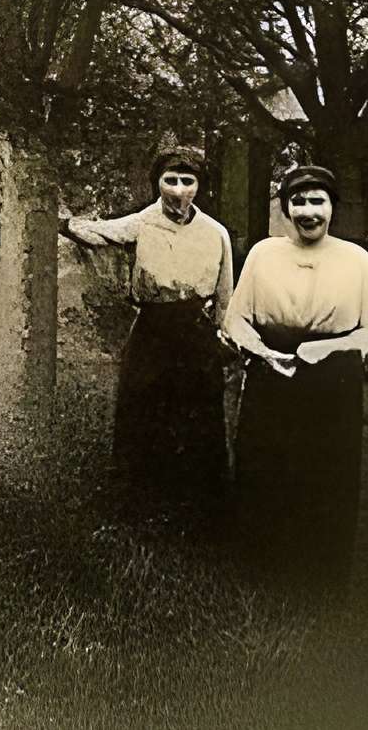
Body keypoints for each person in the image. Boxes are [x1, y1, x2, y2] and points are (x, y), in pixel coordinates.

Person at [222, 161, 368, 590]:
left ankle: (320, 578)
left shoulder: (357, 260)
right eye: (298, 202)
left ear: (333, 207)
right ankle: (261, 574)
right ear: (285, 209)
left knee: (326, 475)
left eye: (318, 201)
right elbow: (235, 320)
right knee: (265, 469)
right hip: (271, 376)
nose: (308, 211)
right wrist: (264, 353)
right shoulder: (263, 253)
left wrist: (327, 348)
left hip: (332, 381)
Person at [62, 142, 236, 527]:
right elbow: (99, 234)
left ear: (199, 186)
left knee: (197, 413)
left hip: (196, 331)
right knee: (143, 410)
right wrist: (63, 222)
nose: (177, 190)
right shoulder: (142, 223)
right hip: (152, 331)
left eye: (186, 181)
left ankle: (199, 512)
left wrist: (224, 340)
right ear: (158, 182)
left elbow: (225, 296)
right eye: (169, 180)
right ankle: (139, 509)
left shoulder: (215, 233)